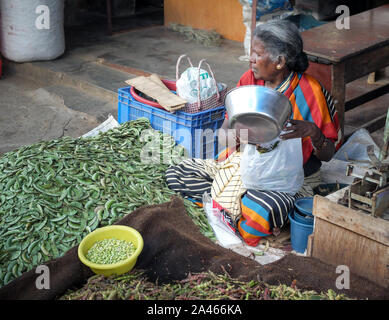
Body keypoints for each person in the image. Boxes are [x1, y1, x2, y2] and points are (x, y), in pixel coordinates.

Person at [166, 20, 342, 246]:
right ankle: (236, 209)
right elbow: (223, 137)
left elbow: (327, 155)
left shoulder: (311, 92)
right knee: (176, 173)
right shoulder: (249, 82)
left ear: (280, 61)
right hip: (243, 166)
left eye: (257, 54)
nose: (250, 59)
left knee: (263, 208)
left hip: (288, 179)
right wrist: (236, 133)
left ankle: (234, 208)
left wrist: (313, 132)